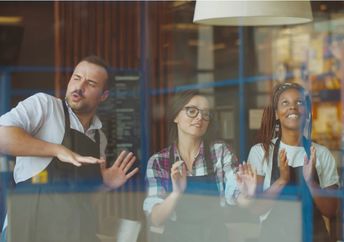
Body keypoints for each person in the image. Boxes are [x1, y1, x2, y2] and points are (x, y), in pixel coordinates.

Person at [0, 55, 139, 242]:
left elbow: (85, 201)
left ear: (104, 95)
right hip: (28, 228)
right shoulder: (46, 106)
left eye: (90, 83)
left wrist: (105, 184)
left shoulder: (99, 138)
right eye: (76, 77)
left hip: (72, 233)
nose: (79, 87)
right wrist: (58, 150)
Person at [143, 90, 256, 242]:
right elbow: (155, 218)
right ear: (176, 116)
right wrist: (176, 193)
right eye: (192, 111)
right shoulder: (158, 162)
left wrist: (247, 194)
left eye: (205, 113)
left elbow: (236, 195)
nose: (199, 117)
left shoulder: (221, 152)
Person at [247, 82, 339, 242]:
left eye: (299, 102)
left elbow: (331, 210)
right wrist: (282, 180)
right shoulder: (260, 152)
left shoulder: (322, 154)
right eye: (285, 103)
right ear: (276, 113)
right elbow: (256, 208)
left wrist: (311, 182)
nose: (293, 107)